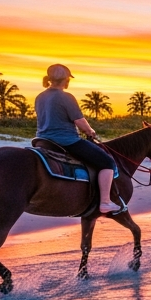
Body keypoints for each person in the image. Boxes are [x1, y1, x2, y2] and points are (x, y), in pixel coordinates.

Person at [35, 64, 121, 215]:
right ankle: (105, 202)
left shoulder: (40, 97)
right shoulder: (66, 97)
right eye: (68, 79)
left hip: (42, 139)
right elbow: (79, 121)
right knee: (107, 162)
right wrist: (90, 131)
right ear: (65, 79)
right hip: (66, 141)